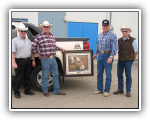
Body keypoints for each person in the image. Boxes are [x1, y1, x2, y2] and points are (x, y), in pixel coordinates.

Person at [32, 21, 66, 97]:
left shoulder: (52, 36)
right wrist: (38, 54)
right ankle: (45, 91)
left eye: (47, 27)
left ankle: (57, 91)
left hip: (53, 58)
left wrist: (60, 48)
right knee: (44, 75)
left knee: (56, 74)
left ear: (49, 28)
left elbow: (54, 46)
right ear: (42, 28)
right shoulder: (39, 36)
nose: (46, 28)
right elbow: (33, 47)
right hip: (45, 59)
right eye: (45, 27)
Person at [93, 19, 118, 97]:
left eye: (106, 26)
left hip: (108, 55)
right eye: (104, 25)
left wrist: (111, 57)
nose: (105, 27)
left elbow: (115, 47)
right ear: (102, 26)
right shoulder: (99, 35)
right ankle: (100, 89)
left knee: (108, 74)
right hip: (100, 55)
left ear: (109, 26)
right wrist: (96, 53)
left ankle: (106, 90)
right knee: (99, 73)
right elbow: (97, 45)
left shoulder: (112, 35)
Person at [113, 24, 138, 97]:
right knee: (119, 75)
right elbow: (116, 48)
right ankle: (120, 89)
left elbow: (136, 51)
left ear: (129, 31)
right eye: (123, 31)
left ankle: (128, 91)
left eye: (126, 31)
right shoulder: (119, 40)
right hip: (120, 60)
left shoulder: (133, 40)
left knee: (128, 76)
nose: (124, 32)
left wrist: (133, 59)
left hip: (128, 61)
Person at [12, 24, 35, 98]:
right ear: (18, 31)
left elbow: (31, 51)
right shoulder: (14, 40)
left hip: (28, 60)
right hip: (19, 60)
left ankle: (27, 90)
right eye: (22, 31)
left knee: (27, 76)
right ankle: (16, 91)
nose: (23, 32)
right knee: (18, 77)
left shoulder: (28, 41)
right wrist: (13, 62)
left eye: (24, 31)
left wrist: (33, 60)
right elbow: (13, 52)